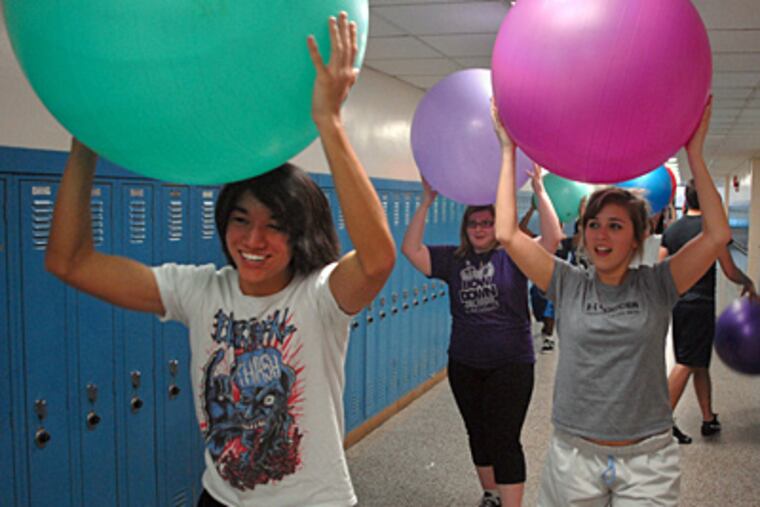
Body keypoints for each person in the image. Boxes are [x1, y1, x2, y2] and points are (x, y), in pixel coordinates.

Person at [45, 13, 396, 507]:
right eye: (241, 219)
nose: (254, 238)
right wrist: (86, 139)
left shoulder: (320, 297)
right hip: (220, 497)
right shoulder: (201, 291)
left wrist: (329, 123)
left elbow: (379, 260)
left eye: (276, 225)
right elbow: (70, 262)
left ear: (302, 234)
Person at [492, 97, 731, 506]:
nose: (601, 236)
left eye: (615, 226)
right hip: (574, 456)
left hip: (648, 463)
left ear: (637, 237)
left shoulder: (659, 283)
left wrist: (695, 155)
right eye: (593, 225)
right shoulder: (566, 282)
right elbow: (507, 235)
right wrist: (508, 151)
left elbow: (716, 236)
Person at [401, 172, 562, 507]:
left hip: (511, 364)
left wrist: (539, 190)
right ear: (465, 227)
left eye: (488, 222)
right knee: (477, 432)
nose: (479, 228)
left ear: (498, 224)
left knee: (505, 439)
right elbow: (411, 249)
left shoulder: (515, 253)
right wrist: (425, 203)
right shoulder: (453, 259)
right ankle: (491, 494)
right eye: (473, 222)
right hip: (465, 362)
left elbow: (552, 239)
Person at [659, 179, 757, 444]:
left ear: (687, 200)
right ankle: (660, 423)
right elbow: (728, 269)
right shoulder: (711, 230)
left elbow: (661, 265)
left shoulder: (674, 229)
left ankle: (708, 418)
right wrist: (747, 282)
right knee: (687, 362)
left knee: (698, 361)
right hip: (700, 303)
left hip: (679, 303)